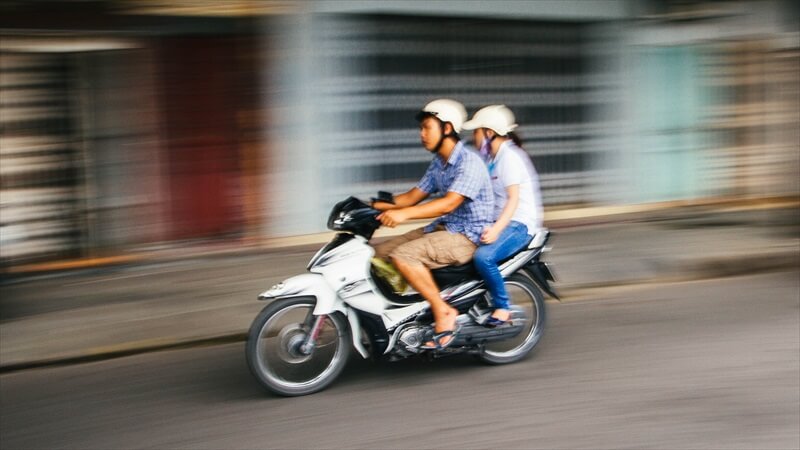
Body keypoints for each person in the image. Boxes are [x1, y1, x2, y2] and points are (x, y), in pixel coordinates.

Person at [371, 99, 494, 348]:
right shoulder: (439, 162)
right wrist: (373, 206)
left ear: (447, 128)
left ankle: (442, 311)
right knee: (377, 254)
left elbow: (449, 203)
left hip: (467, 237)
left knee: (404, 256)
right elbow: (412, 196)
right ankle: (405, 311)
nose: (422, 134)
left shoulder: (469, 163)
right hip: (444, 228)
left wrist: (404, 215)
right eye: (422, 129)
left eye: (427, 127)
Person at [462, 105, 543, 326]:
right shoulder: (494, 159)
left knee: (483, 257)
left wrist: (496, 229)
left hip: (519, 225)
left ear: (489, 132)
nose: (473, 137)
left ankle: (503, 307)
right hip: (504, 221)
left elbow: (513, 199)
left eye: (476, 132)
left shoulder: (510, 157)